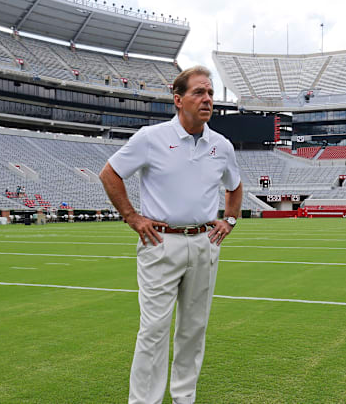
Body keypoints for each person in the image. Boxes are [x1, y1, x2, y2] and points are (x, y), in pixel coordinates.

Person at [99, 65, 242, 404]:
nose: (207, 99)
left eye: (210, 93)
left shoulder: (221, 145)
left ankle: (184, 399)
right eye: (199, 92)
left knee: (194, 329)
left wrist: (230, 220)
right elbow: (110, 173)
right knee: (153, 330)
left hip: (204, 243)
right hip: (160, 243)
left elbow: (234, 187)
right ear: (178, 100)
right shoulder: (151, 138)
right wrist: (132, 217)